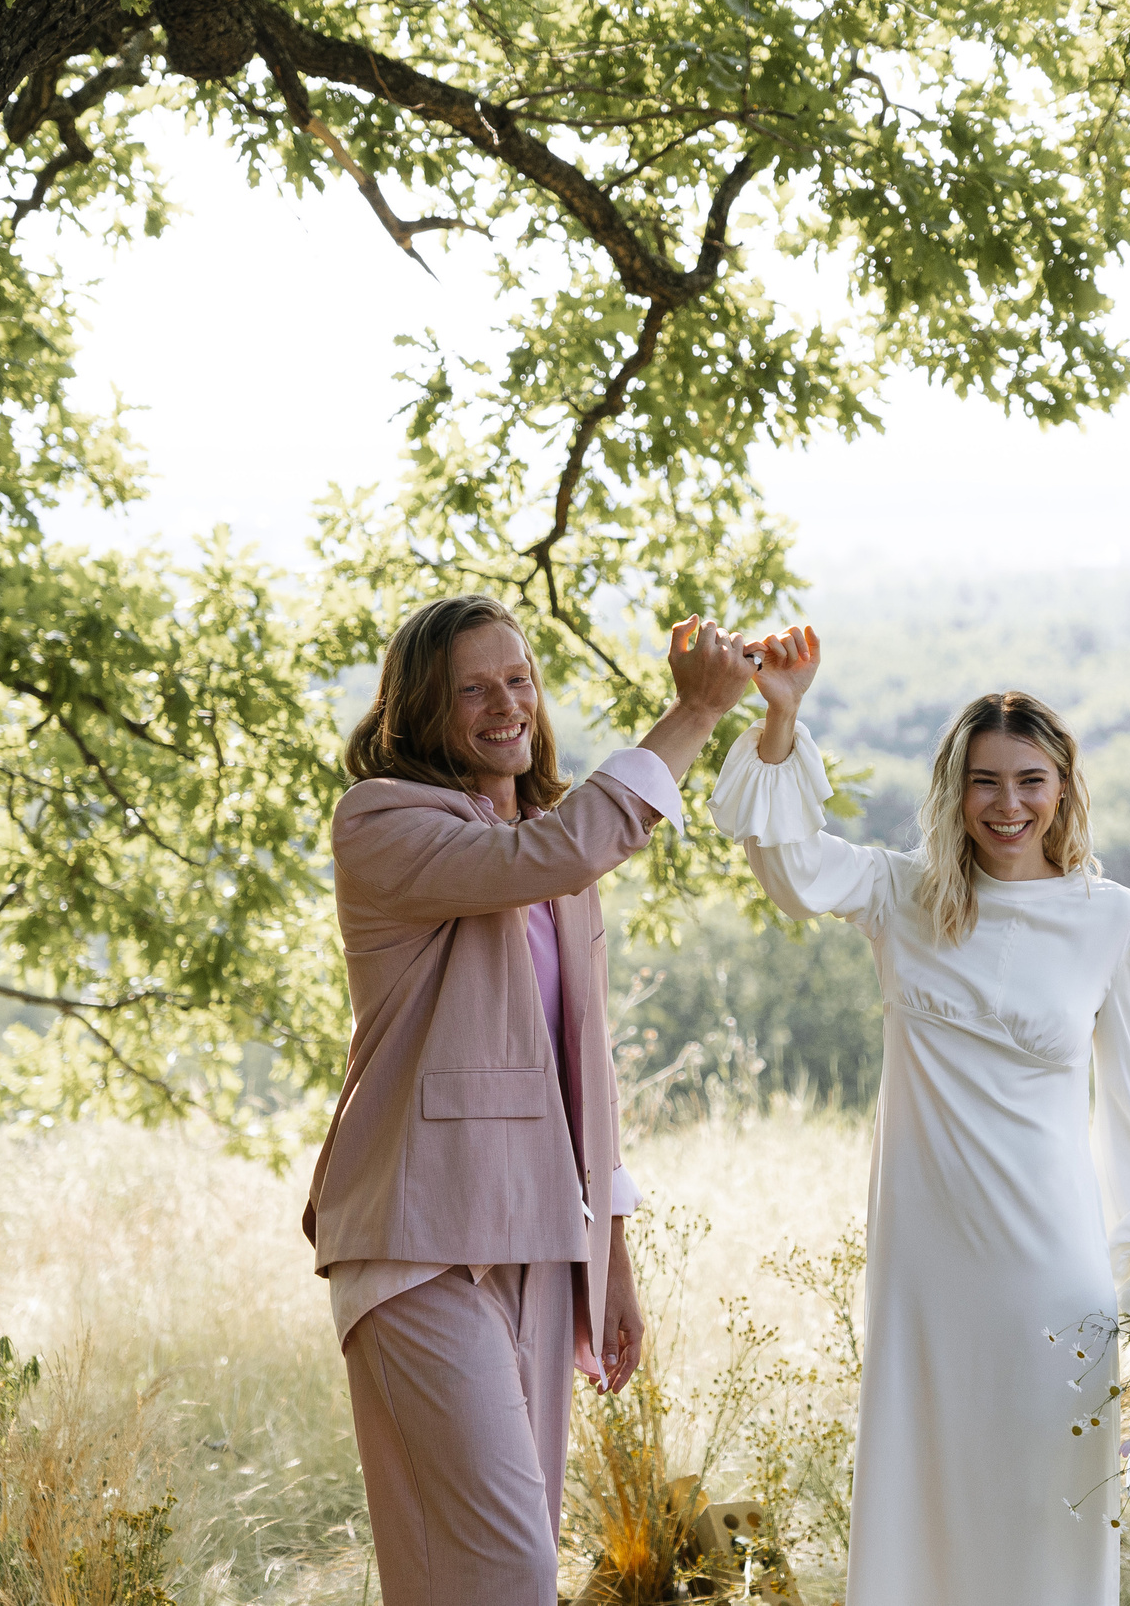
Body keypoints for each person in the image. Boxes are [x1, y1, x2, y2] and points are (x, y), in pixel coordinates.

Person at [710, 625, 1130, 1606]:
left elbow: (1129, 1120)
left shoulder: (1111, 920)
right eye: (984, 781)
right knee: (925, 1509)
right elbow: (787, 863)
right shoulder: (902, 895)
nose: (1007, 804)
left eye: (1029, 780)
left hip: (1052, 1275)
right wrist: (780, 714)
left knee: (1045, 1512)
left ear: (1062, 786)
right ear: (953, 789)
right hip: (928, 1273)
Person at [302, 594, 754, 1606]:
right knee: (508, 1568)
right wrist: (692, 716)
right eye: (472, 687)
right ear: (421, 709)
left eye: (518, 679)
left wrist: (614, 1251)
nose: (505, 704)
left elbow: (581, 1071)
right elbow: (542, 858)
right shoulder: (383, 821)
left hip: (543, 1236)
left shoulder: (553, 849)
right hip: (420, 1245)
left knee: (472, 1574)